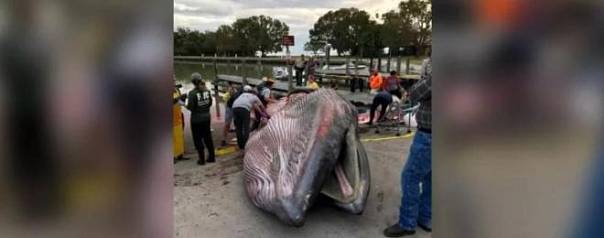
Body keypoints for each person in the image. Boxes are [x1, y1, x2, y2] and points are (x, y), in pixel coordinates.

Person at [383, 58, 431, 237]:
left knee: (410, 177)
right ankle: (426, 217)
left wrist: (427, 76)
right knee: (431, 178)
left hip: (429, 134)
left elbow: (415, 93)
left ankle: (407, 222)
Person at [186, 73, 215, 165]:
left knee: (197, 139)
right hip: (207, 117)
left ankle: (201, 160)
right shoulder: (207, 91)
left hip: (196, 119)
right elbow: (210, 103)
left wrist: (184, 104)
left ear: (193, 82)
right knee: (208, 137)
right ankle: (212, 157)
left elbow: (191, 107)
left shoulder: (192, 93)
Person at [232, 85, 268, 150]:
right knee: (246, 128)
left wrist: (261, 114)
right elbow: (262, 106)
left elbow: (255, 106)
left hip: (234, 108)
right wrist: (267, 114)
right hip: (244, 109)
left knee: (238, 128)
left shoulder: (243, 94)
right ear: (254, 93)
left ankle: (241, 146)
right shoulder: (254, 96)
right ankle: (246, 145)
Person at [173, 84, 189, 162]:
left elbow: (180, 102)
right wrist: (178, 98)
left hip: (178, 116)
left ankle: (180, 154)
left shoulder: (176, 90)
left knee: (179, 136)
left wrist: (183, 98)